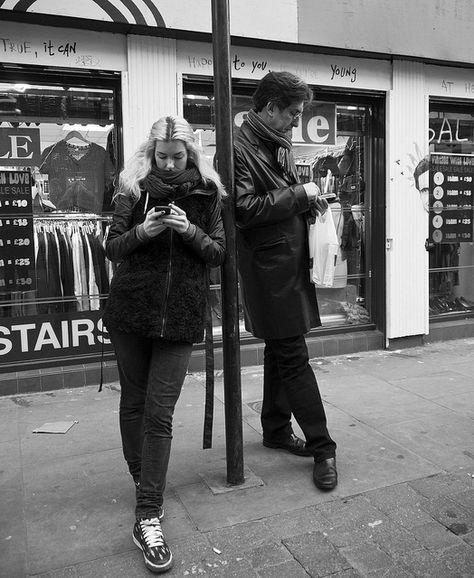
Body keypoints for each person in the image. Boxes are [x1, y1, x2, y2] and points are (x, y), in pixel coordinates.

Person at [102, 115, 226, 573]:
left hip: (181, 317)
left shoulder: (208, 194)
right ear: (150, 153)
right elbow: (112, 247)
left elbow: (218, 253)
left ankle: (147, 511)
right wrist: (144, 231)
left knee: (159, 412)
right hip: (130, 313)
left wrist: (188, 231)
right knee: (133, 404)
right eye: (162, 156)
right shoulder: (131, 189)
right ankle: (145, 482)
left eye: (178, 157)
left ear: (191, 154)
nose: (170, 165)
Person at [233, 71, 338, 491]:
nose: (296, 121)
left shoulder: (275, 142)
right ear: (271, 107)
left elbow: (277, 198)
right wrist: (302, 195)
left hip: (285, 264)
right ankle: (323, 447)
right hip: (268, 270)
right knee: (293, 356)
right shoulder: (239, 148)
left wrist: (308, 204)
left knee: (281, 351)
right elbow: (244, 208)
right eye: (293, 113)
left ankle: (275, 429)